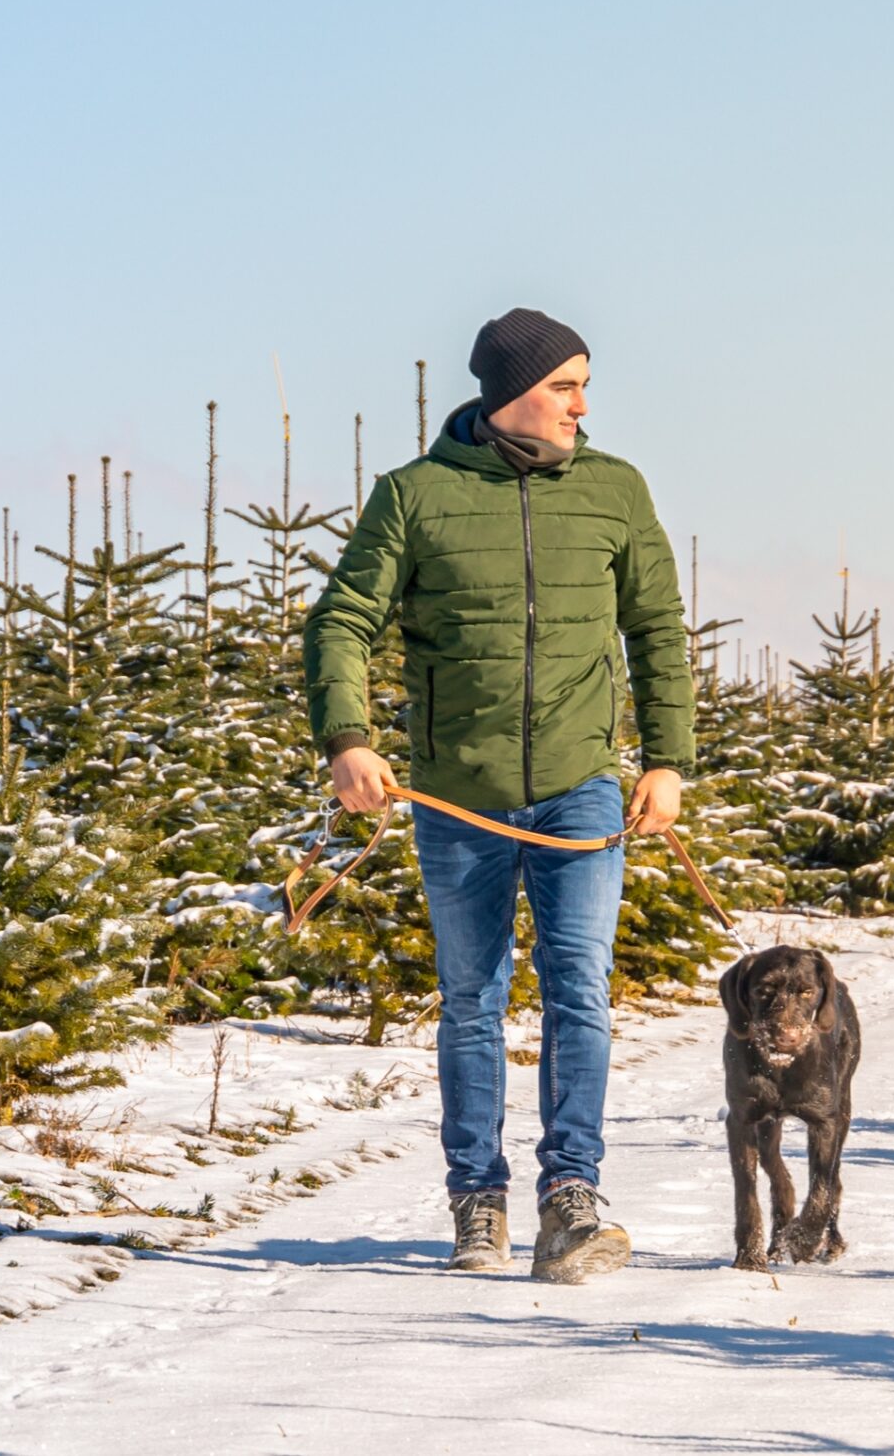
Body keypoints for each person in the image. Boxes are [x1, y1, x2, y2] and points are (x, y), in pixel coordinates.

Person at [302, 307, 695, 1284]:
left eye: (583, 384)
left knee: (578, 987)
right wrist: (348, 740)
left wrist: (667, 758)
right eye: (565, 384)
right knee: (471, 1000)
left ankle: (571, 1196)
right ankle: (477, 1200)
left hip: (581, 791)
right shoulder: (415, 496)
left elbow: (657, 627)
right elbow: (342, 619)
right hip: (456, 794)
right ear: (510, 391)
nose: (581, 403)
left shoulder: (615, 490)